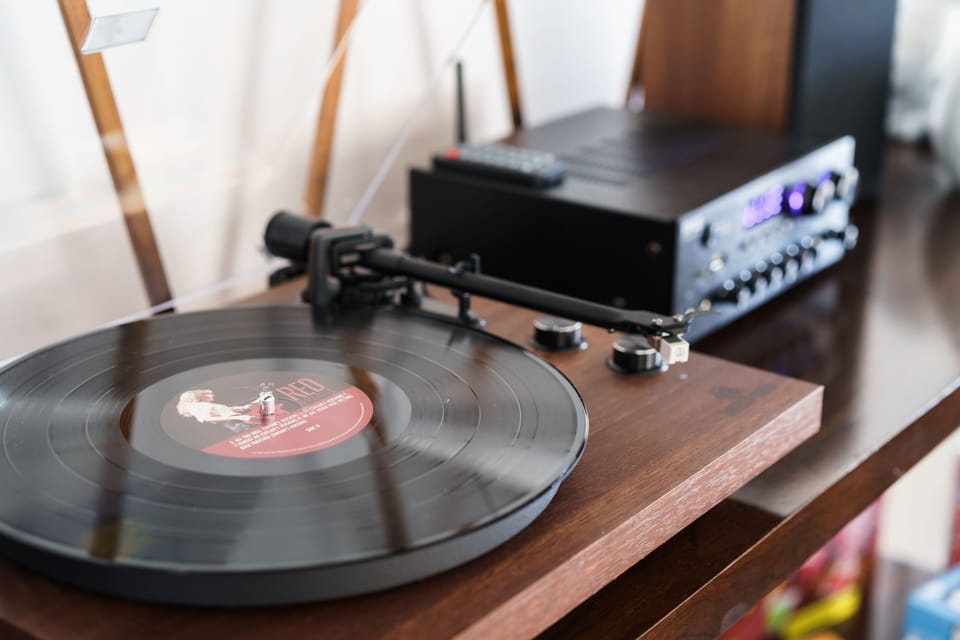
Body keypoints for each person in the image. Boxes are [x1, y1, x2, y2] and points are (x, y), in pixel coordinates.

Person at [176, 389, 255, 434]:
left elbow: (222, 411)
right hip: (236, 423)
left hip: (238, 422)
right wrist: (239, 417)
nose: (211, 396)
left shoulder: (202, 405)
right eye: (205, 394)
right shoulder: (193, 406)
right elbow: (206, 418)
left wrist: (241, 407)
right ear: (196, 396)